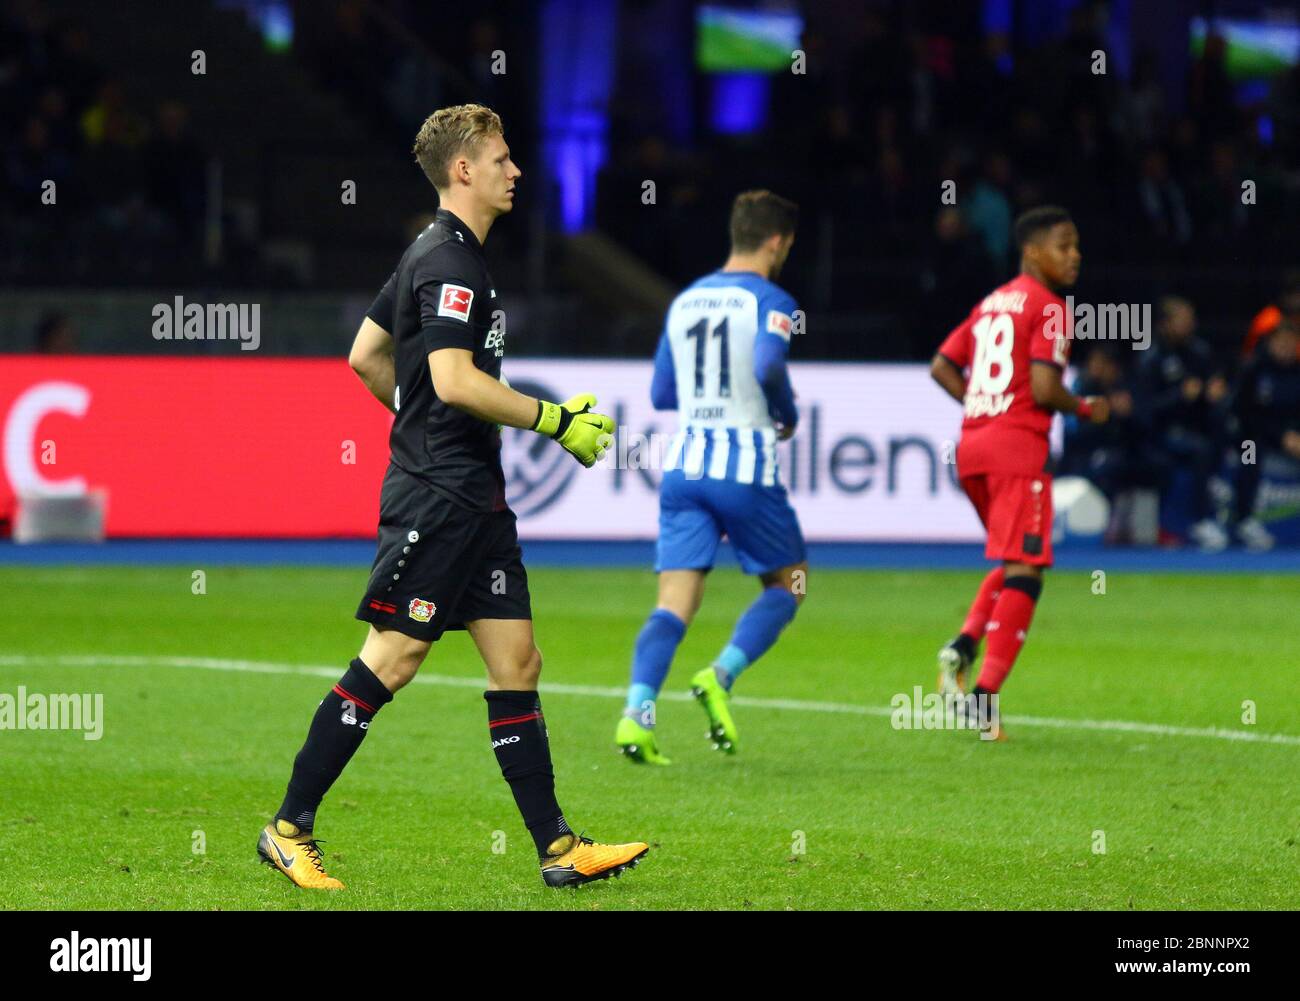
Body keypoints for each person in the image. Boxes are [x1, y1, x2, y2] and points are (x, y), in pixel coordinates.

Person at [258, 104, 647, 890]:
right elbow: (453, 379)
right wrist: (553, 420)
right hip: (438, 499)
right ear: (462, 170)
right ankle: (288, 827)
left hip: (476, 501)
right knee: (394, 659)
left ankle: (557, 847)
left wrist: (423, 418)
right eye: (501, 159)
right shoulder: (448, 262)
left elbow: (367, 356)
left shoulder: (437, 255)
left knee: (518, 661)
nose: (516, 170)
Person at [615, 190, 807, 765]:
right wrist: (787, 414)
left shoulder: (685, 302)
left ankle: (636, 715)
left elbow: (660, 394)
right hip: (743, 466)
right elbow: (769, 364)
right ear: (777, 241)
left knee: (673, 605)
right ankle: (720, 676)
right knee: (790, 584)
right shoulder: (772, 299)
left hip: (684, 469)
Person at [929, 206, 1109, 739]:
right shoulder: (1050, 308)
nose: (1074, 255)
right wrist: (1086, 410)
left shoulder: (991, 303)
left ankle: (961, 647)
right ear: (1032, 251)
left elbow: (941, 365)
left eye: (1076, 246)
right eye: (1063, 245)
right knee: (1027, 570)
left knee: (1015, 560)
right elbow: (1048, 389)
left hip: (974, 448)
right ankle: (983, 700)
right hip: (1016, 452)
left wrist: (982, 404)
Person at [1132, 296, 1229, 550]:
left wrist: (1214, 393)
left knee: (1225, 436)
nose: (1189, 325)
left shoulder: (1199, 351)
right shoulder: (1150, 357)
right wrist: (1179, 396)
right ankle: (1199, 521)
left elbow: (1215, 386)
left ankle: (1226, 512)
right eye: (1182, 320)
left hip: (1196, 428)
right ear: (1165, 324)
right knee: (1198, 451)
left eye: (1190, 320)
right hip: (1158, 434)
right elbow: (1144, 411)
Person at [1227, 322, 1300, 551]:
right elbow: (1244, 412)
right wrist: (1281, 437)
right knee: (1251, 453)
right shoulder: (1254, 370)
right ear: (1271, 344)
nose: (1286, 348)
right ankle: (1244, 518)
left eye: (1291, 343)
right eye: (1282, 343)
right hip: (1253, 434)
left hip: (1293, 437)